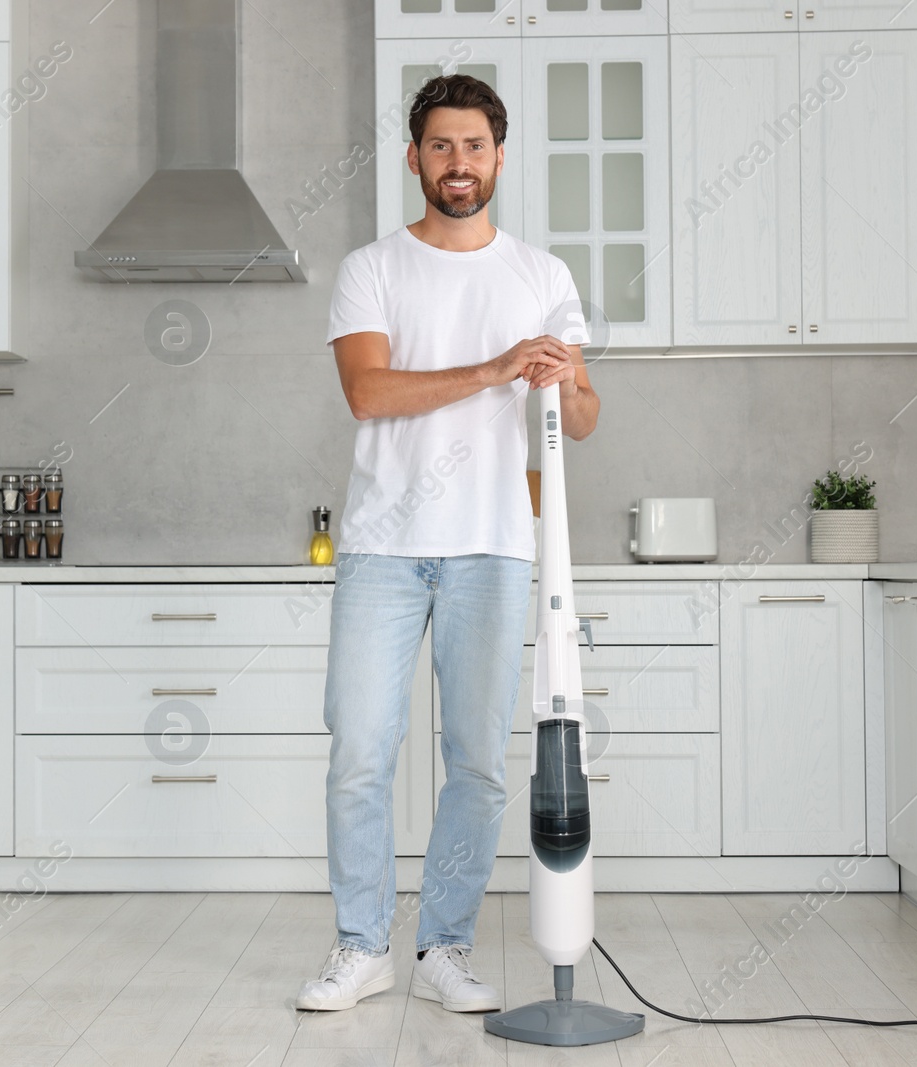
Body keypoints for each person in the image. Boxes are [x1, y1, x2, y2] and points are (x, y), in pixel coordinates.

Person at [296, 73, 599, 1014]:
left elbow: (582, 420)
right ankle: (361, 946)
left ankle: (445, 946)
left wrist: (560, 376)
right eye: (440, 146)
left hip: (496, 545)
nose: (458, 164)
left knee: (474, 757)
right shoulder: (372, 267)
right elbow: (370, 394)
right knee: (360, 748)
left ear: (499, 156)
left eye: (474, 146)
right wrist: (499, 365)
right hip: (385, 546)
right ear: (416, 157)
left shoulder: (543, 277)